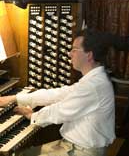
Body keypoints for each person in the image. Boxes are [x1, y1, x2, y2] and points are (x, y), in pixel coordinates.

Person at [0, 28, 128, 156]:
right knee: (23, 153)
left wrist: (33, 116)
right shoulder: (95, 79)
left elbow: (60, 110)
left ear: (89, 55)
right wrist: (17, 98)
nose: (69, 53)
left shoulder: (93, 86)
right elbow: (60, 94)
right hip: (76, 146)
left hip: (82, 151)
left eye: (74, 49)